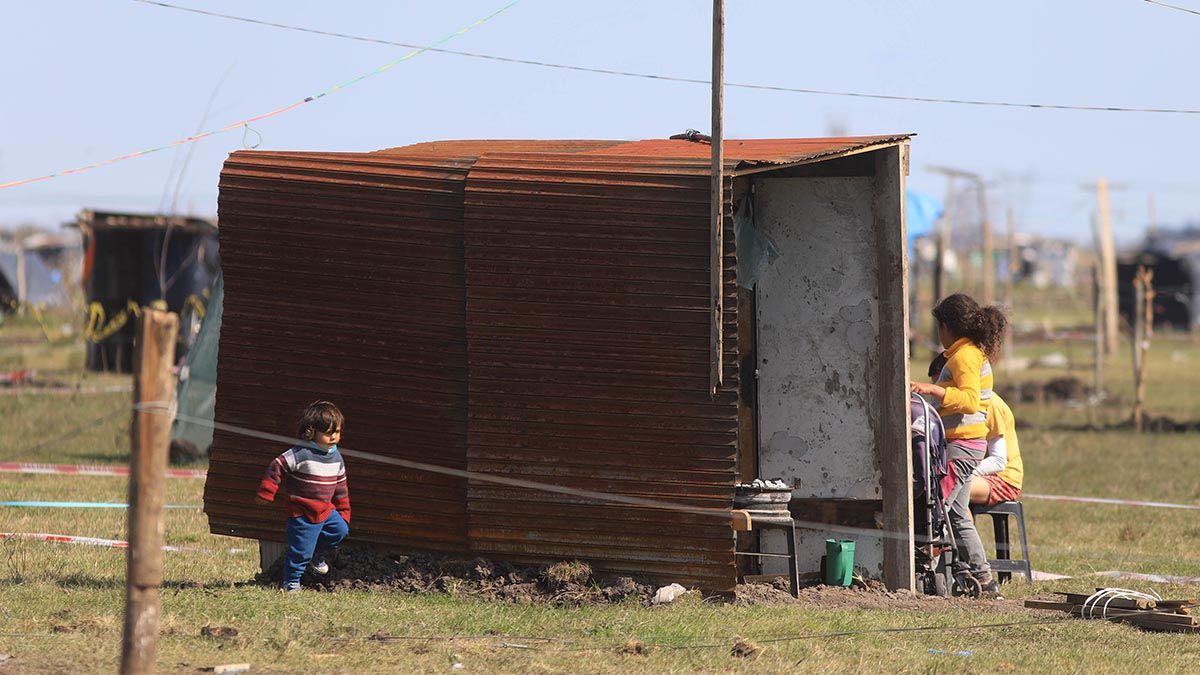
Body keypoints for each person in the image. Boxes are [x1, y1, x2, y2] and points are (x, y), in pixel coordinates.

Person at [911, 293, 1007, 596]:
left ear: (948, 326)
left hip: (962, 445)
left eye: (939, 326)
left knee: (937, 507)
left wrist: (933, 391)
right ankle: (979, 577)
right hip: (967, 444)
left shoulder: (964, 356)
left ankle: (950, 571)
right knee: (957, 514)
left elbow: (967, 401)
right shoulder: (968, 353)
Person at [255, 401, 351, 592]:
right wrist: (267, 492)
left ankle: (317, 554)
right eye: (327, 432)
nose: (333, 436)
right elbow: (277, 466)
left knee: (340, 530)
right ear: (311, 431)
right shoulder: (301, 453)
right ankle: (291, 582)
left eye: (337, 431)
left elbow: (341, 487)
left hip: (326, 511)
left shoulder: (337, 458)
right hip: (302, 513)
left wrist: (343, 511)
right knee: (300, 552)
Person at [971, 393, 1023, 507]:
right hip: (977, 473)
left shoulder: (990, 404)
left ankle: (965, 526)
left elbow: (998, 461)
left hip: (1004, 479)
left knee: (955, 489)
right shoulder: (960, 401)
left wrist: (962, 473)